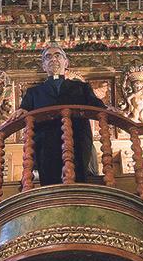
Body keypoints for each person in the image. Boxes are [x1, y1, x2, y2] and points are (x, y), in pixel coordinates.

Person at [8, 44, 105, 185]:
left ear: (66, 62)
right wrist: (21, 111)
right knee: (49, 183)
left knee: (78, 181)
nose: (53, 59)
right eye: (48, 57)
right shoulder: (33, 92)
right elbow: (25, 109)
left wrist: (108, 109)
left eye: (58, 55)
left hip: (77, 138)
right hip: (45, 141)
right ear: (44, 66)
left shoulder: (81, 87)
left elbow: (96, 105)